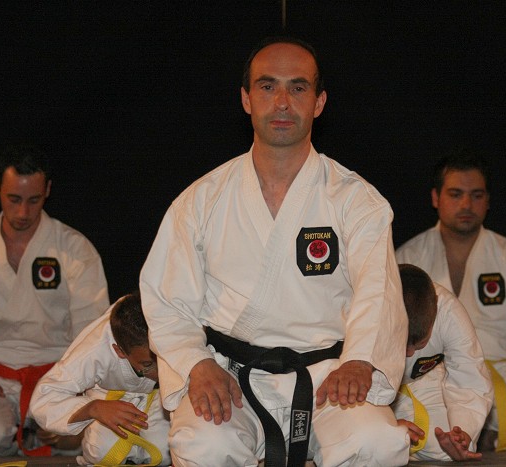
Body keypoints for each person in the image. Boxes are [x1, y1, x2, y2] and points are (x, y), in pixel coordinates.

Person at [139, 36, 409, 467]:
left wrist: (360, 360)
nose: (282, 102)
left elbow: (378, 292)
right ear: (246, 99)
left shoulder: (356, 200)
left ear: (319, 102)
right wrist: (196, 364)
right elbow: (167, 300)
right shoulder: (201, 200)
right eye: (267, 86)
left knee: (377, 442)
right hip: (229, 375)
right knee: (203, 446)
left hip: (328, 378)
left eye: (298, 87)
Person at [395, 149, 506, 452]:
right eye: (455, 194)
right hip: (431, 375)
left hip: (501, 374)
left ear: (488, 201)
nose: (466, 204)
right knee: (420, 422)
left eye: (476, 195)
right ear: (436, 198)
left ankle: (487, 436)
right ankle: (487, 437)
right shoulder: (410, 257)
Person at [0, 143, 110, 457]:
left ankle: (38, 435)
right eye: (14, 199)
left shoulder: (74, 248)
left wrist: (77, 388)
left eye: (33, 200)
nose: (23, 212)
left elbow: (92, 330)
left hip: (58, 374)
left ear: (47, 190)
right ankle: (19, 434)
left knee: (86, 442)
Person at [30, 292, 170, 466]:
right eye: (148, 364)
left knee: (169, 450)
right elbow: (44, 399)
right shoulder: (95, 350)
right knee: (103, 454)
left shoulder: (175, 321)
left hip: (163, 394)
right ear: (119, 351)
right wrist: (92, 408)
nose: (160, 370)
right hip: (110, 396)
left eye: (164, 358)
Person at [393, 264, 493, 462]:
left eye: (419, 344)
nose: (409, 353)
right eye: (402, 344)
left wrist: (463, 433)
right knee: (374, 441)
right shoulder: (367, 305)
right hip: (365, 390)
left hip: (420, 382)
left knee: (447, 451)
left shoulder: (449, 314)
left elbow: (468, 380)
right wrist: (385, 422)